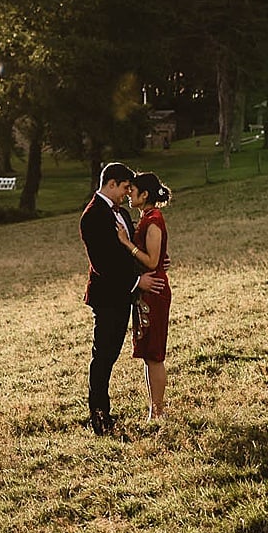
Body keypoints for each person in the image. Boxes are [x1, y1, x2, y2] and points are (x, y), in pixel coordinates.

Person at [80, 161, 166, 435]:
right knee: (103, 356)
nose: (127, 194)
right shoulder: (93, 216)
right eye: (125, 188)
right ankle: (99, 417)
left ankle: (105, 413)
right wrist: (136, 280)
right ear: (112, 184)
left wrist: (153, 264)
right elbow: (103, 263)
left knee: (111, 354)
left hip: (124, 297)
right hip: (107, 298)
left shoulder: (121, 215)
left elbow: (130, 253)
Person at [118, 170, 173, 423]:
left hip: (154, 292)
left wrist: (127, 244)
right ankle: (154, 409)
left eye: (133, 190)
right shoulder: (147, 218)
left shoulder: (153, 220)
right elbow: (158, 257)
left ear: (145, 194)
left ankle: (158, 411)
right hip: (145, 292)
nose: (129, 194)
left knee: (154, 354)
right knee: (149, 354)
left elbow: (151, 260)